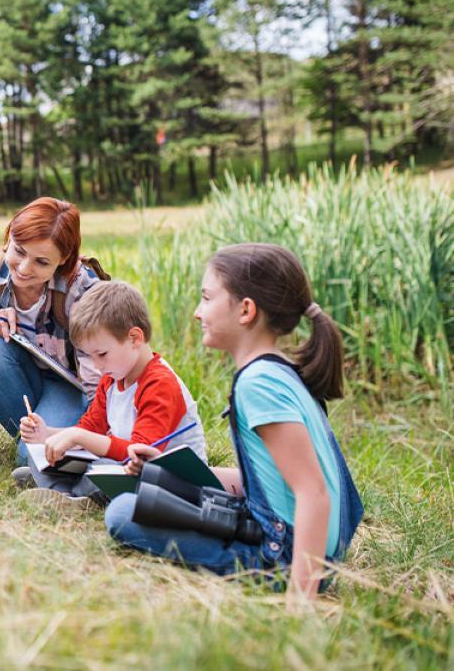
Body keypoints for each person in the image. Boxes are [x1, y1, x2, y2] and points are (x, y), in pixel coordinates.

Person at [105, 243, 364, 599]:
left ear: (246, 310)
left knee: (123, 512)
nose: (197, 312)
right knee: (154, 487)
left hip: (283, 557)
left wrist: (300, 598)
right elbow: (273, 481)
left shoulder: (259, 384)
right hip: (296, 542)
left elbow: (313, 492)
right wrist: (175, 471)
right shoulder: (278, 371)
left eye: (207, 298)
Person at [19, 281, 206, 506]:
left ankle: (64, 491)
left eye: (102, 354)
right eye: (89, 356)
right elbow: (90, 427)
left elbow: (140, 456)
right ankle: (66, 492)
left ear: (135, 338)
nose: (97, 366)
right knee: (40, 451)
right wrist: (47, 434)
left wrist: (77, 438)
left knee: (104, 470)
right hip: (124, 465)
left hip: (166, 480)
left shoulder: (160, 384)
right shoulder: (113, 377)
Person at [0, 197, 106, 469]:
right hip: (21, 374)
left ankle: (39, 448)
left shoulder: (81, 289)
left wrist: (97, 435)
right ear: (9, 235)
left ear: (63, 259)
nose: (23, 268)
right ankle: (32, 441)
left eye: (42, 262)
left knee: (32, 461)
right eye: (19, 251)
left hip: (71, 386)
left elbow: (98, 376)